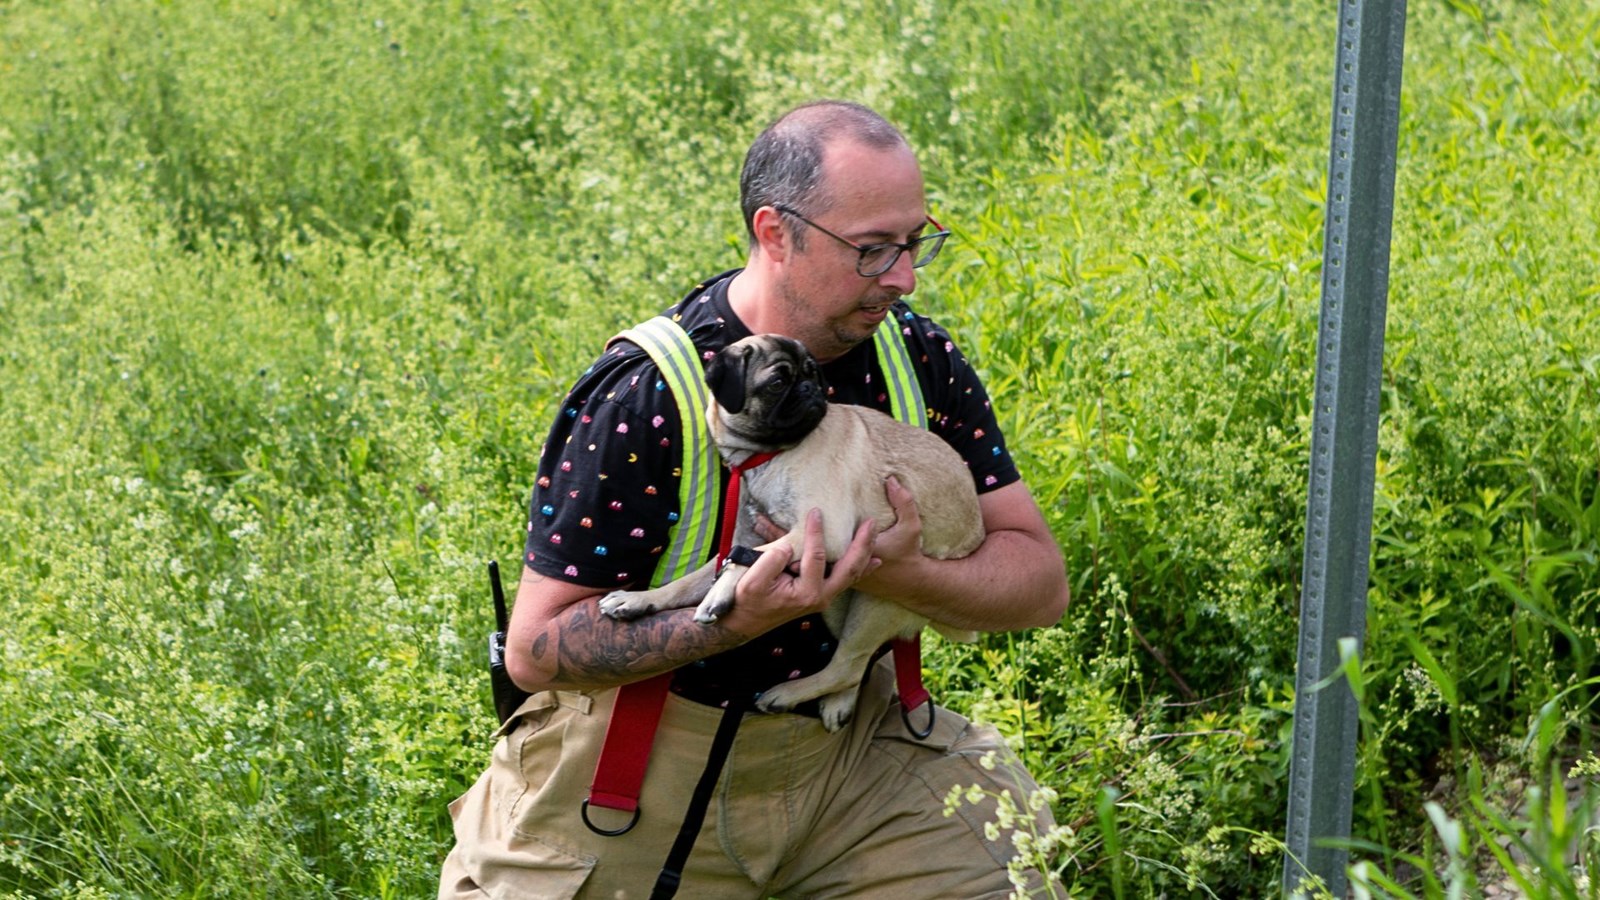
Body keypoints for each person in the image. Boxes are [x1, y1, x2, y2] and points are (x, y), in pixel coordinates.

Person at [439, 99, 1071, 899]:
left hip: (853, 753)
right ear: (775, 233)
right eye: (873, 250)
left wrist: (897, 572)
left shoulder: (918, 358)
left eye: (915, 243)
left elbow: (1040, 585)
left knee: (1014, 870)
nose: (904, 277)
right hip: (632, 769)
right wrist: (737, 616)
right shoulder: (649, 391)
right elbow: (536, 651)